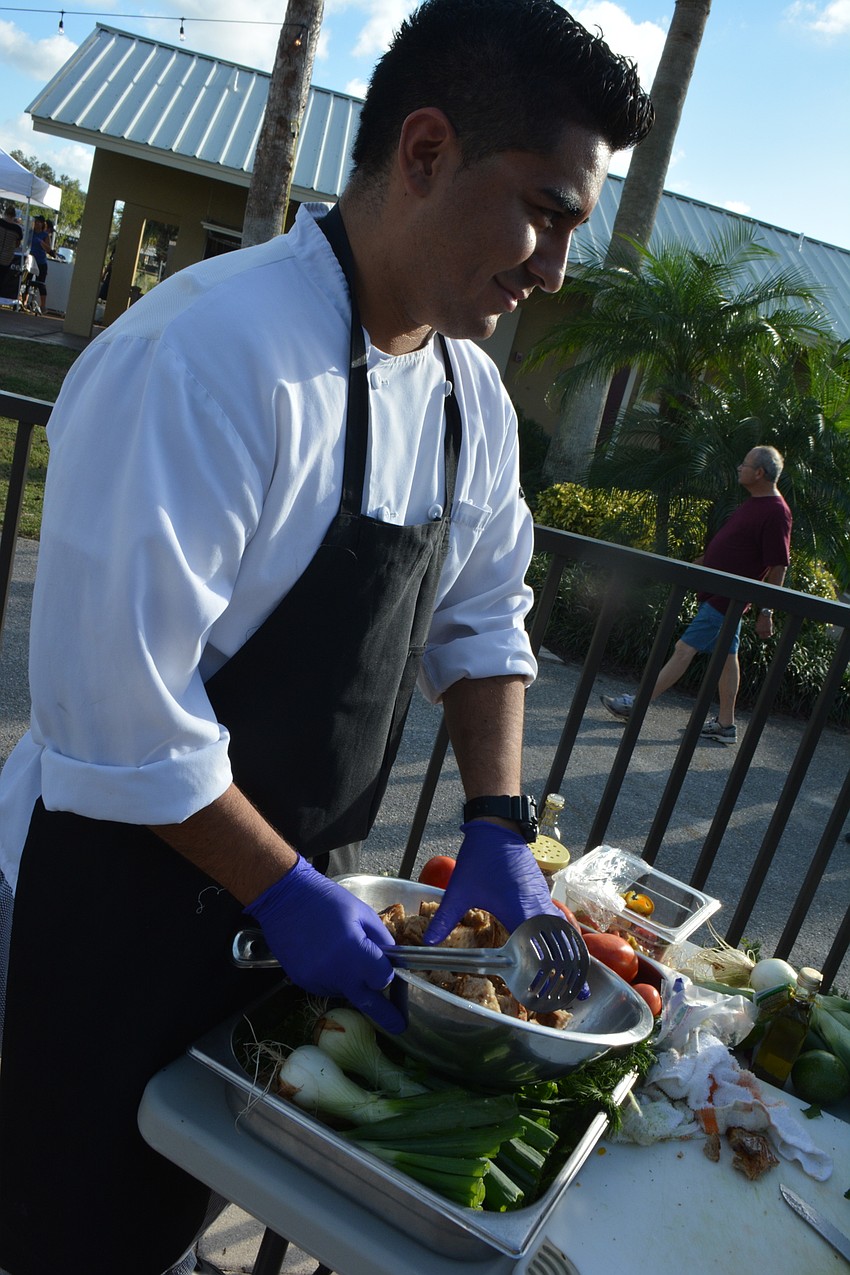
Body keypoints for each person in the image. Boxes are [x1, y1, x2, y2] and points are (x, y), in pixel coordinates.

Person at [0, 2, 653, 1272]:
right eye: (546, 211)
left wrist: (496, 823)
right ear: (425, 152)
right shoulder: (206, 354)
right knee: (57, 1221)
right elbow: (119, 708)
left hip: (279, 916)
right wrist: (280, 887)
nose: (555, 269)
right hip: (110, 910)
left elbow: (484, 617)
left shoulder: (468, 401)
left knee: (181, 1205)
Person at [601, 446, 792, 744]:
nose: (739, 468)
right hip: (722, 594)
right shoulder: (756, 503)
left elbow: (778, 564)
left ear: (759, 472)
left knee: (683, 649)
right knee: (727, 658)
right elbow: (740, 547)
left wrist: (767, 611)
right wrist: (706, 561)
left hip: (727, 598)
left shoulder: (777, 511)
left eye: (744, 464)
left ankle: (636, 706)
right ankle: (726, 726)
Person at [25, 213, 58, 313]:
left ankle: (43, 305)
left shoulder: (45, 235)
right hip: (30, 261)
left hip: (41, 262)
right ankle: (24, 302)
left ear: (42, 224)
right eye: (36, 222)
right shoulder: (30, 232)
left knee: (41, 284)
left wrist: (41, 242)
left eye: (39, 222)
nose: (37, 223)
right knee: (27, 281)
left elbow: (48, 249)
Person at [0, 204, 23, 300]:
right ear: (14, 215)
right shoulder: (17, 229)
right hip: (6, 258)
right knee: (1, 279)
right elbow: (17, 244)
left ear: (5, 213)